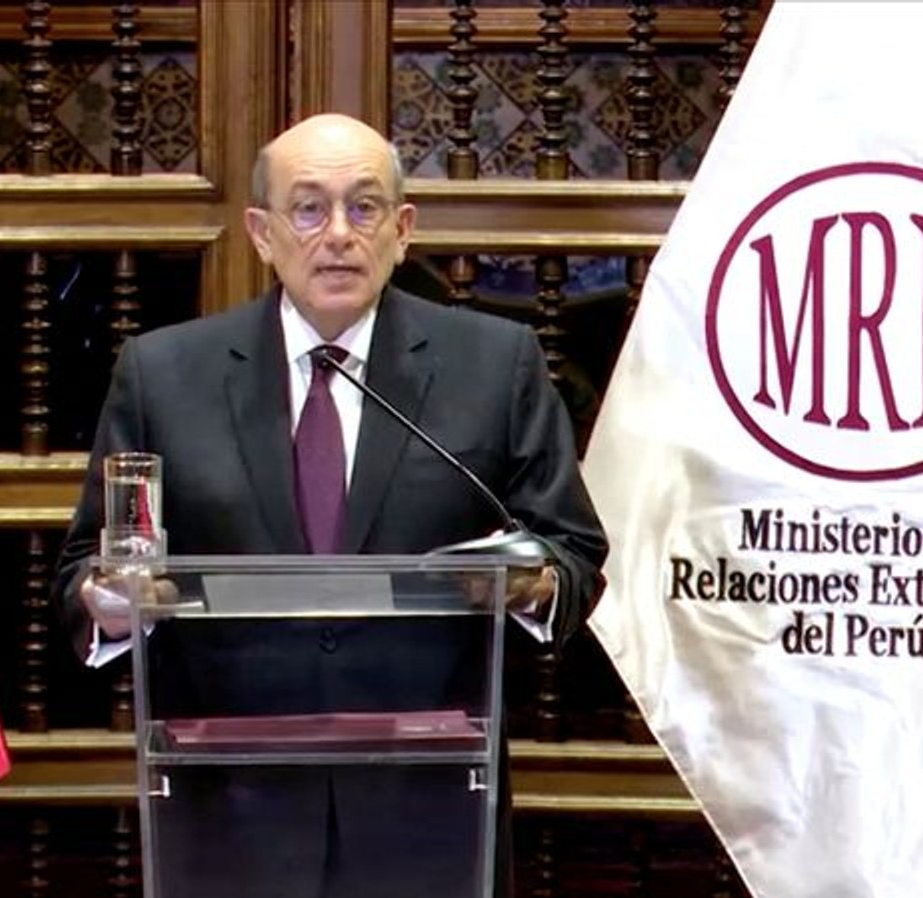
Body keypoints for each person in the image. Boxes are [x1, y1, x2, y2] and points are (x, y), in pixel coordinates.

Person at [54, 113, 607, 898]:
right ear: (262, 233)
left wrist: (533, 582)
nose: (339, 234)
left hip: (429, 807)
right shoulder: (163, 373)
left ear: (403, 230)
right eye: (309, 208)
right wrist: (112, 601)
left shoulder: (494, 364)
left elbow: (571, 548)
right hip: (228, 809)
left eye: (364, 206)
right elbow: (86, 572)